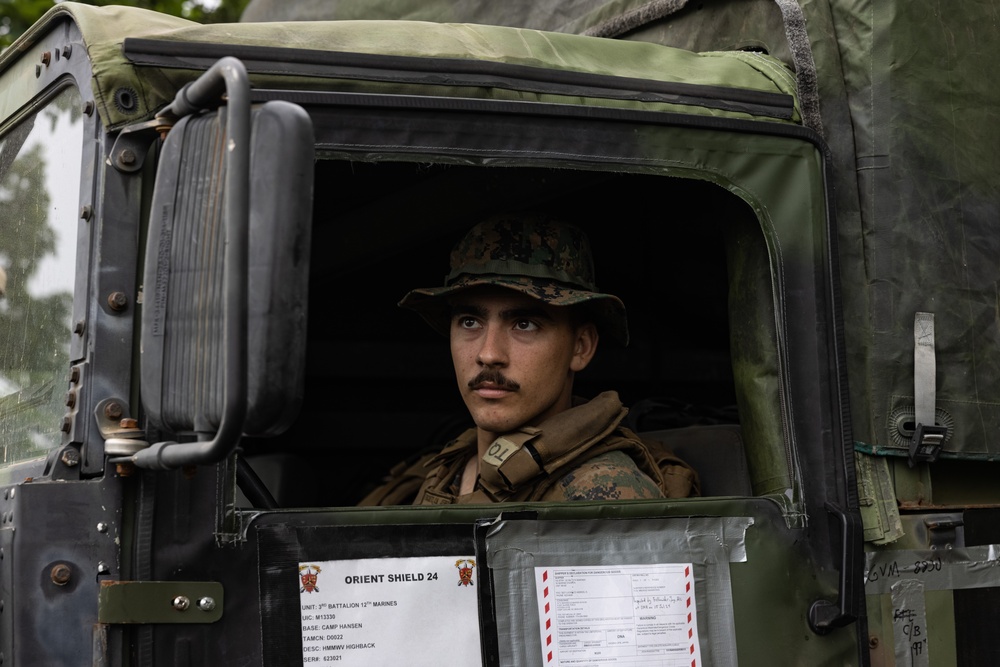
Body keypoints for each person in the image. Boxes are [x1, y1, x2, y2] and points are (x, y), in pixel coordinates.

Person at [360, 213, 698, 505]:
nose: (488, 354)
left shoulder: (599, 493)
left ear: (581, 347)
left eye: (524, 324)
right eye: (469, 322)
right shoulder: (447, 468)